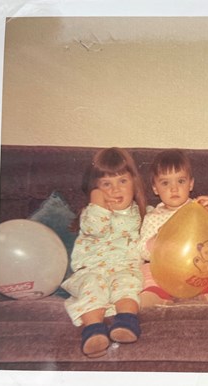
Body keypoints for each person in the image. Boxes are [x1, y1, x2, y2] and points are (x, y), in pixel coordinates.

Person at [61, 147, 147, 358]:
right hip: (92, 270)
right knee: (93, 287)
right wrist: (97, 200)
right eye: (106, 184)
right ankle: (93, 330)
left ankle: (126, 321)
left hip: (124, 269)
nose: (115, 190)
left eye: (122, 181)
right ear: (95, 188)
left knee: (129, 285)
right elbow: (96, 228)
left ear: (134, 183)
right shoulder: (91, 212)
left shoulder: (140, 213)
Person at [138, 149, 208, 308]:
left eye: (180, 181)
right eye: (165, 183)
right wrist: (158, 240)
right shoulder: (153, 217)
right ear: (155, 188)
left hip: (202, 269)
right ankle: (157, 294)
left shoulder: (198, 208)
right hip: (167, 272)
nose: (174, 188)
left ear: (191, 184)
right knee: (145, 270)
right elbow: (143, 251)